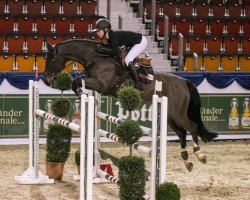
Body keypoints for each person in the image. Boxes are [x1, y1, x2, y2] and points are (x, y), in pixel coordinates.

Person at [93, 18, 148, 91]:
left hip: (140, 42)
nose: (97, 33)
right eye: (97, 31)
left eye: (99, 30)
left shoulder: (113, 36)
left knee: (128, 59)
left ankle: (138, 84)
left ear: (105, 29)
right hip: (132, 43)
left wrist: (102, 50)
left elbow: (116, 52)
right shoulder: (109, 36)